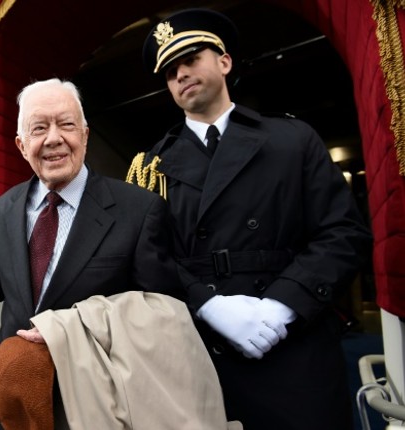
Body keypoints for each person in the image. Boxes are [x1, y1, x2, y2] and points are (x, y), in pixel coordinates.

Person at [0, 78, 180, 429]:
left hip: (93, 400)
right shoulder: (5, 207)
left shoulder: (139, 209)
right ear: (22, 145)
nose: (54, 138)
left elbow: (160, 312)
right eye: (39, 128)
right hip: (11, 398)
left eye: (66, 124)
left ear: (85, 135)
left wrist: (71, 330)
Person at [129, 8, 372, 430]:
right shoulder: (151, 166)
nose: (181, 74)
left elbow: (342, 232)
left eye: (191, 59)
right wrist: (210, 306)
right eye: (170, 72)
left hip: (294, 344)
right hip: (203, 349)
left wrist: (283, 306)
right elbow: (149, 259)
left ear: (224, 62)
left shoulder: (292, 139)